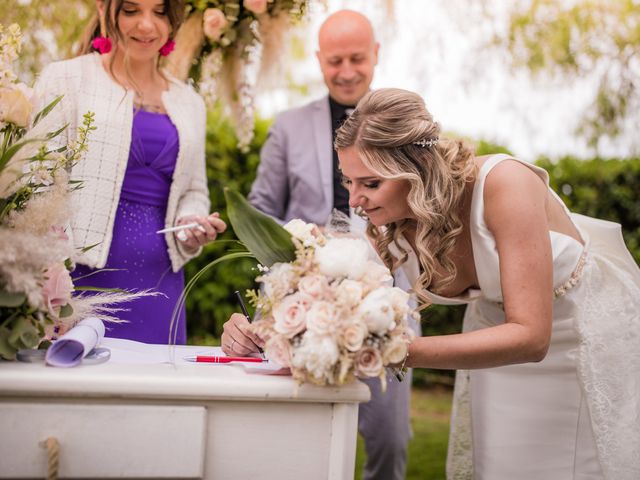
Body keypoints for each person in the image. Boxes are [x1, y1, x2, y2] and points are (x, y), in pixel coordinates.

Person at [334, 87, 640, 480]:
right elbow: (332, 285)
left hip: (582, 342)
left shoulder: (505, 184)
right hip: (494, 348)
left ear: (417, 169)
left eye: (370, 184)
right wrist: (267, 327)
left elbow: (532, 336)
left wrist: (397, 352)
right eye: (348, 182)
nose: (355, 199)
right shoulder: (391, 219)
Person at [221, 10, 415, 480]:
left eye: (356, 58)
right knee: (302, 433)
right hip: (307, 300)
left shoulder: (404, 123)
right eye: (334, 60)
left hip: (388, 296)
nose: (346, 71)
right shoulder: (288, 126)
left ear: (376, 56)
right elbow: (260, 208)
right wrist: (301, 240)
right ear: (318, 61)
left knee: (389, 438)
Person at [34, 0, 226, 345]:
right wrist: (49, 274)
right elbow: (38, 182)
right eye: (131, 10)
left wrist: (191, 223)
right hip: (81, 277)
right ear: (107, 12)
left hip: (160, 280)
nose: (147, 25)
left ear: (173, 20)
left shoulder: (190, 103)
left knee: (156, 393)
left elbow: (194, 190)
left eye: (159, 12)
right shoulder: (65, 79)